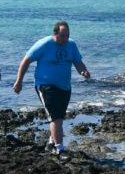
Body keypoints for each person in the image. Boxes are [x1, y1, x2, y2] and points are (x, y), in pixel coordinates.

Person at [13, 21, 90, 154]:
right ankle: (59, 149)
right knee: (55, 118)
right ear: (55, 34)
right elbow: (26, 61)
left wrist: (83, 71)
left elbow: (78, 62)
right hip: (45, 85)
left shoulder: (71, 45)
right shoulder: (44, 44)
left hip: (65, 86)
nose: (65, 38)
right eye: (63, 36)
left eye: (67, 35)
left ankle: (51, 142)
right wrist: (19, 81)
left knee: (60, 115)